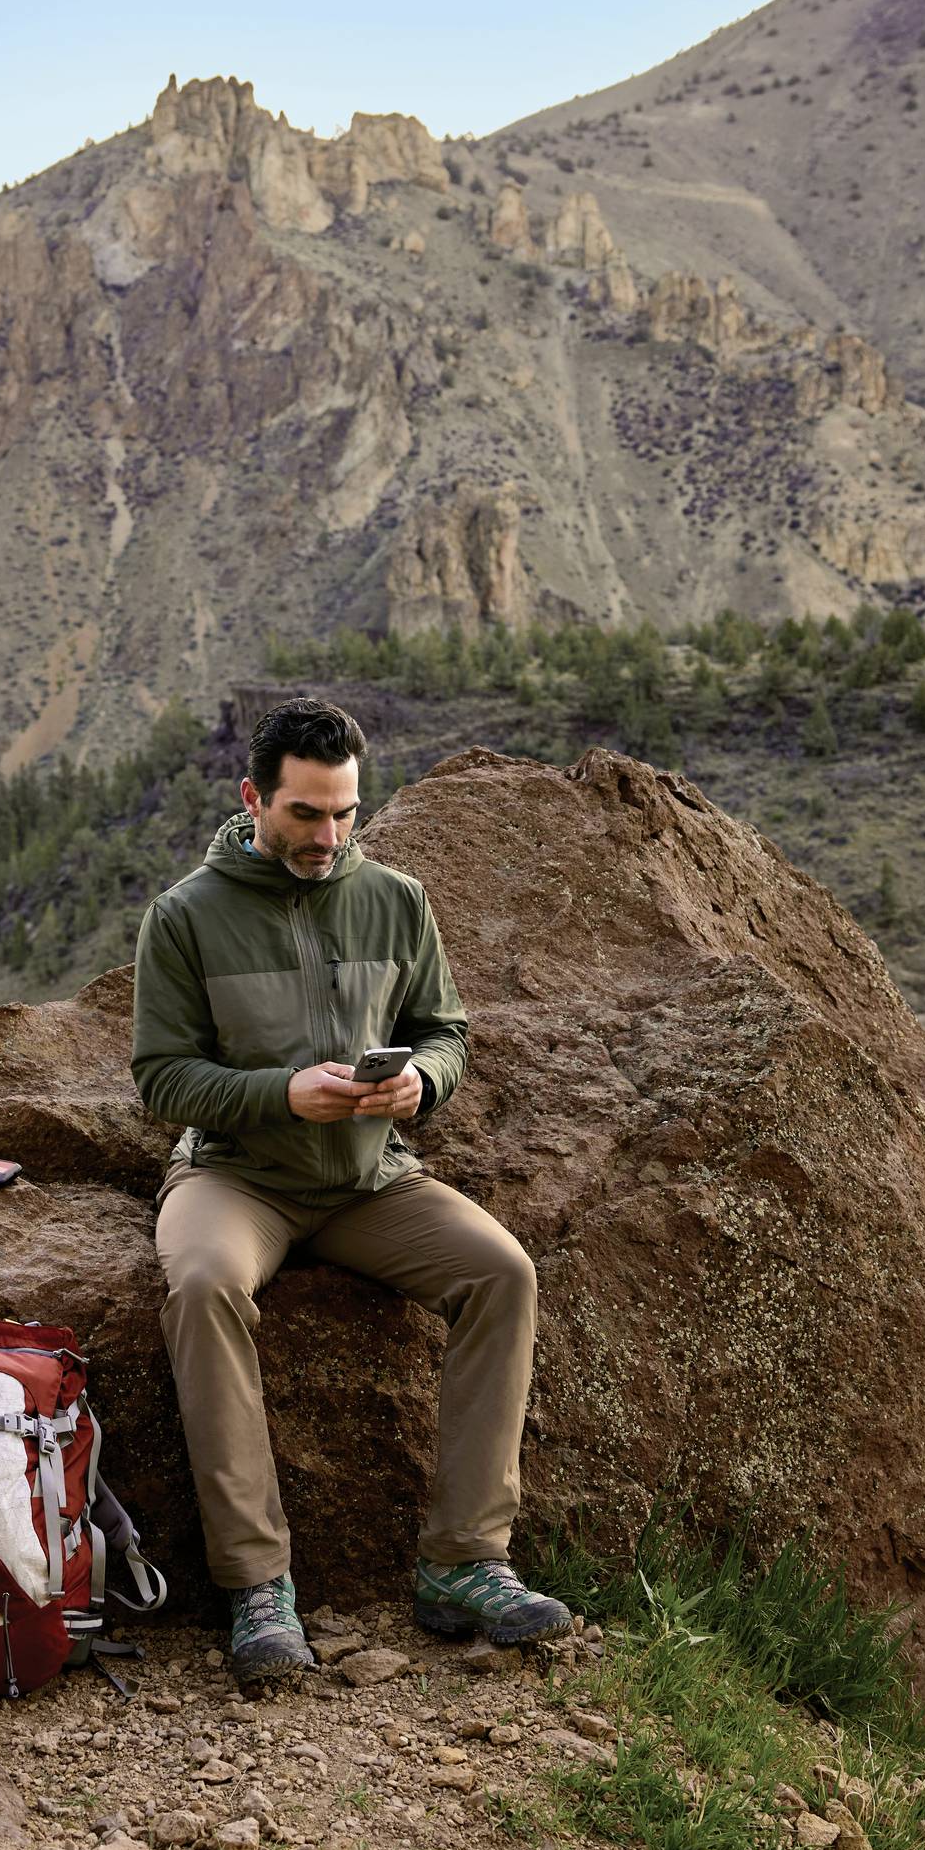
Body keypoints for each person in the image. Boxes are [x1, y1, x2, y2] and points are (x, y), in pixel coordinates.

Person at [129, 696, 571, 1685]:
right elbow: (161, 1079)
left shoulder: (396, 899)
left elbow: (448, 1029)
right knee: (202, 1287)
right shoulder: (184, 918)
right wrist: (283, 1094)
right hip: (240, 1178)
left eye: (345, 815)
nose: (328, 837)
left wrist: (425, 1081)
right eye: (305, 815)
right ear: (253, 799)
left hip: (374, 1179)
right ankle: (256, 1587)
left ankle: (465, 1563)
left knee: (502, 1272)